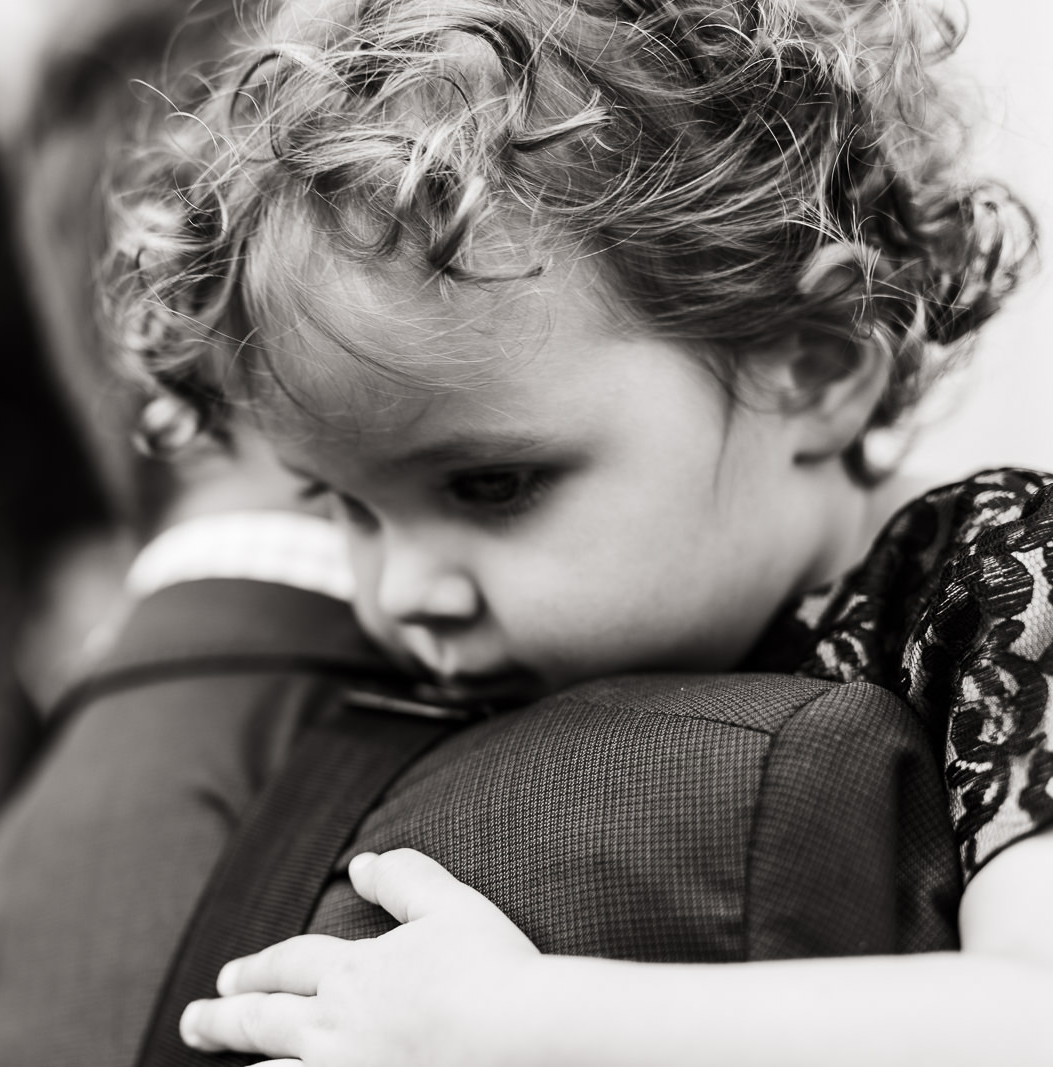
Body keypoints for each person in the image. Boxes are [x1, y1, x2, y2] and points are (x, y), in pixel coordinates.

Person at [102, 0, 1053, 1063]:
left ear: (813, 364)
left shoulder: (1004, 583)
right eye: (345, 506)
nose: (402, 590)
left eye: (493, 483)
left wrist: (524, 1024)